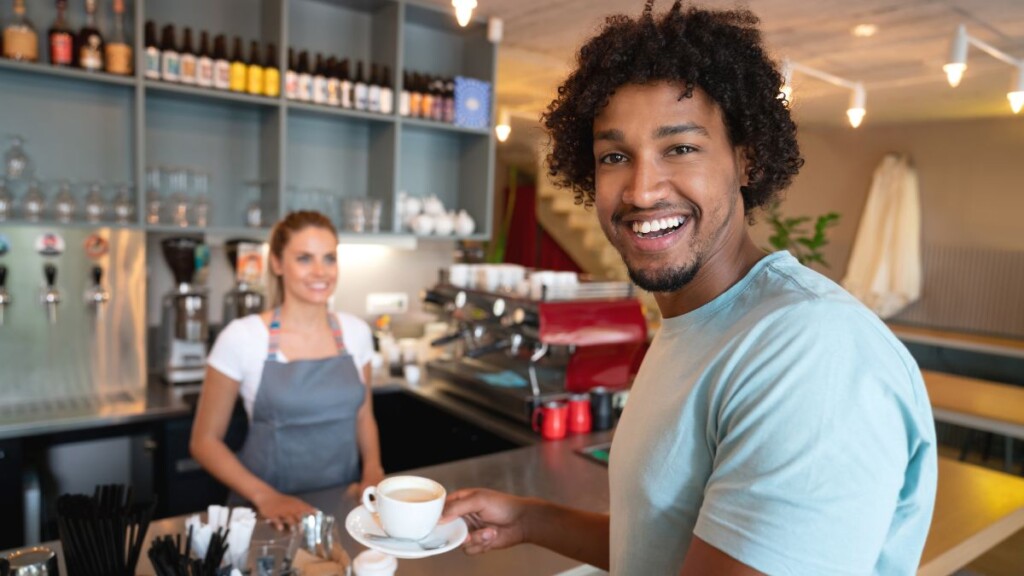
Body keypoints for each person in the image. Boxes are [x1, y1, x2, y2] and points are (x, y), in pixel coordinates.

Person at [441, 2, 937, 574]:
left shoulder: (810, 351)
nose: (642, 190)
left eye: (680, 148)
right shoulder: (695, 324)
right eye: (615, 156)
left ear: (745, 159)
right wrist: (532, 520)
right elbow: (667, 544)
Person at [191, 210, 384, 527]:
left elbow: (363, 414)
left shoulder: (356, 332)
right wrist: (265, 496)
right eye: (304, 259)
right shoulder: (242, 337)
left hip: (343, 505)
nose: (321, 271)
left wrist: (373, 471)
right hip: (267, 513)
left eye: (329, 258)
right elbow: (204, 442)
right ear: (278, 264)